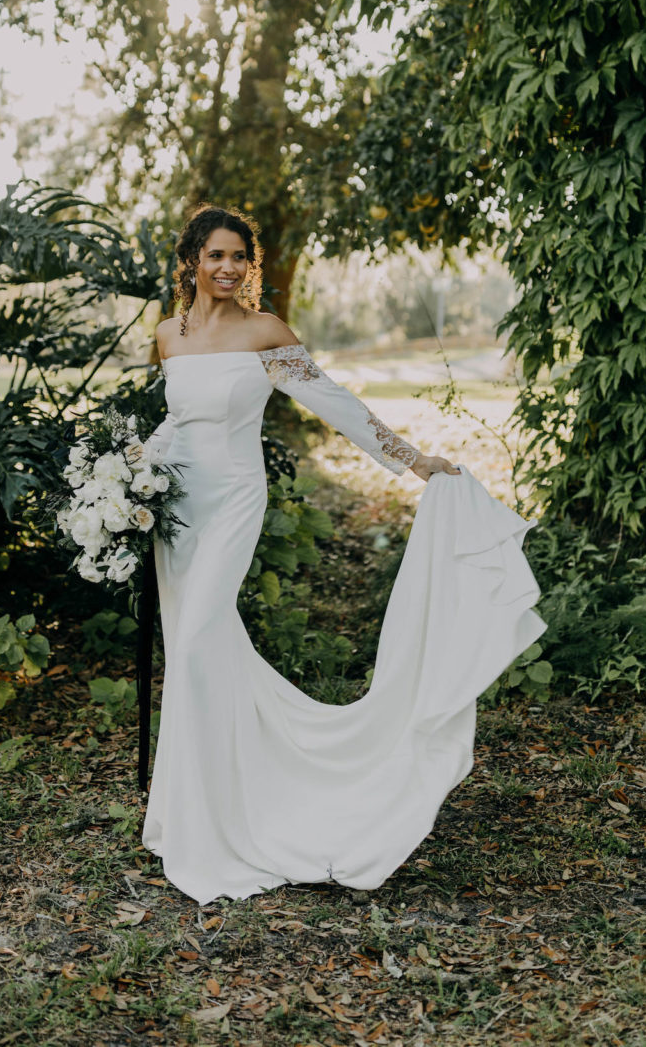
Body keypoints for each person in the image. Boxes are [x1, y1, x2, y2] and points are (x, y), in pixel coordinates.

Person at [140, 203, 544, 904]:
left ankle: (229, 823)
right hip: (175, 510)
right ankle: (191, 812)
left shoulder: (267, 332)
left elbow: (336, 402)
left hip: (234, 499)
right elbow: (176, 423)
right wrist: (125, 487)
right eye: (216, 256)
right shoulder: (167, 336)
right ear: (191, 262)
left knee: (202, 638)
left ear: (249, 264)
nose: (229, 267)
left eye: (240, 256)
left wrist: (413, 460)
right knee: (196, 650)